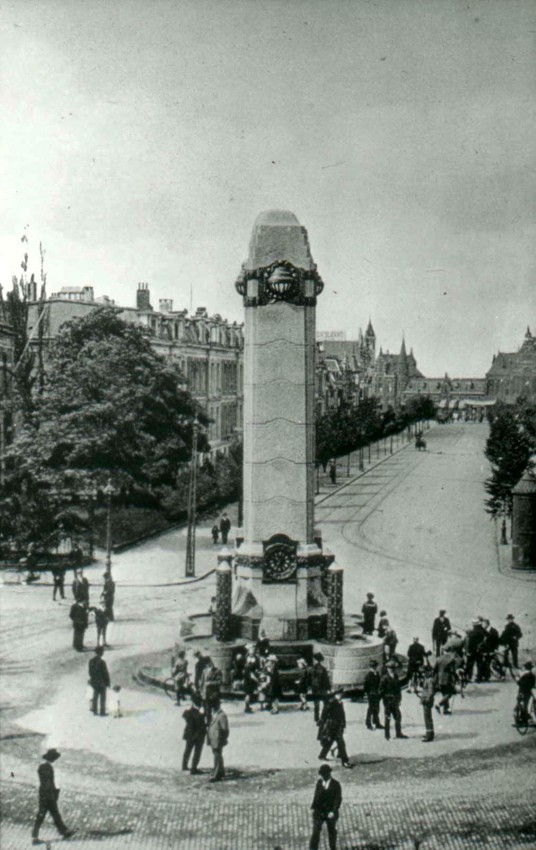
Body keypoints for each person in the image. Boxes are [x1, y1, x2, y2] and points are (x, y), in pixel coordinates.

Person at [32, 749, 75, 844]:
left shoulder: (43, 766)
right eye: (54, 758)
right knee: (45, 815)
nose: (55, 760)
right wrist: (53, 794)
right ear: (51, 758)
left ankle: (64, 831)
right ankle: (35, 837)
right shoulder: (47, 767)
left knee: (52, 814)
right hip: (47, 795)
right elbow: (48, 783)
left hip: (44, 794)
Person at [309, 763, 342, 850]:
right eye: (322, 774)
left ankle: (332, 848)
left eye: (325, 774)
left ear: (329, 774)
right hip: (319, 812)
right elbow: (316, 796)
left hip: (330, 811)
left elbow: (338, 799)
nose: (323, 776)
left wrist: (333, 811)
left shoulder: (335, 784)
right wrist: (314, 808)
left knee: (331, 831)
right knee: (315, 831)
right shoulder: (319, 783)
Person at [317, 691, 352, 768]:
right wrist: (322, 723)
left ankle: (322, 755)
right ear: (335, 695)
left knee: (331, 741)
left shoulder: (339, 703)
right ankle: (345, 761)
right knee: (341, 743)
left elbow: (343, 715)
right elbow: (324, 714)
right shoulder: (331, 703)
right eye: (340, 695)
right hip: (331, 726)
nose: (341, 696)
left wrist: (343, 724)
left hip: (337, 726)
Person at [379, 659, 408, 740]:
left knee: (398, 717)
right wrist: (385, 699)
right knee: (387, 718)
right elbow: (381, 690)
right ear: (388, 669)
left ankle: (398, 733)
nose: (392, 670)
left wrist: (399, 699)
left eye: (393, 669)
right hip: (388, 701)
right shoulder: (384, 678)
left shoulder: (395, 676)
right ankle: (387, 735)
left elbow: (398, 689)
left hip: (395, 701)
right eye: (391, 669)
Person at [182, 693, 206, 774]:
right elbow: (202, 724)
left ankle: (184, 765)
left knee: (187, 750)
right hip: (198, 735)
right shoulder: (200, 714)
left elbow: (185, 716)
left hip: (189, 734)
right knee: (197, 751)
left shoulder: (189, 712)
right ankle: (193, 768)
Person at [207, 698, 229, 782]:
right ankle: (221, 771)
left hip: (218, 739)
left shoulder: (222, 715)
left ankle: (216, 774)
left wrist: (223, 739)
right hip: (214, 738)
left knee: (217, 756)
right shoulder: (215, 714)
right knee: (217, 755)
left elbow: (225, 729)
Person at [433, 646, 457, 715]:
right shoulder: (451, 659)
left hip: (440, 679)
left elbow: (435, 670)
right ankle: (438, 704)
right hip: (448, 678)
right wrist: (455, 678)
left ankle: (446, 709)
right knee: (450, 693)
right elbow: (453, 671)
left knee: (444, 693)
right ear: (449, 651)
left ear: (443, 651)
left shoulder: (438, 659)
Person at [88, 645, 111, 716]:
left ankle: (95, 711)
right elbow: (105, 673)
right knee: (102, 697)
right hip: (101, 682)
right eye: (102, 651)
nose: (103, 653)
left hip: (94, 681)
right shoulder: (102, 662)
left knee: (95, 695)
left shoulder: (91, 661)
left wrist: (92, 679)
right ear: (100, 652)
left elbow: (90, 672)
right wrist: (108, 682)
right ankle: (102, 712)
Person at [200, 658, 222, 724]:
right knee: (207, 711)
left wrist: (210, 683)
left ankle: (216, 723)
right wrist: (201, 691)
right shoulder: (204, 671)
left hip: (214, 694)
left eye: (210, 662)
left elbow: (220, 682)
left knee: (216, 710)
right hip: (206, 694)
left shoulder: (217, 671)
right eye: (208, 664)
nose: (210, 664)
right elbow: (202, 682)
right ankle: (209, 724)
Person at [363, 659, 383, 731]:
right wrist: (367, 694)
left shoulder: (377, 674)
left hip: (376, 693)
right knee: (371, 709)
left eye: (375, 666)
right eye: (373, 666)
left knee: (376, 709)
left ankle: (376, 722)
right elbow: (366, 686)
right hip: (371, 694)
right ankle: (368, 723)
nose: (374, 668)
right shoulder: (369, 675)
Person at [310, 652, 331, 724]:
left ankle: (316, 718)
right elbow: (326, 680)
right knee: (326, 703)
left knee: (316, 704)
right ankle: (323, 718)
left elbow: (311, 680)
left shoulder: (312, 669)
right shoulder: (323, 669)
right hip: (322, 689)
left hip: (315, 689)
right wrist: (329, 688)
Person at [420, 667, 436, 742]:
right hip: (426, 700)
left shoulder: (429, 680)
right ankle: (429, 732)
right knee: (427, 718)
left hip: (427, 701)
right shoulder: (428, 679)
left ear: (428, 672)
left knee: (427, 718)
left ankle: (429, 735)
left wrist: (427, 699)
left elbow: (431, 691)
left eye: (424, 672)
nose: (423, 674)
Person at [243, 645, 259, 713]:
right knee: (249, 693)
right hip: (250, 678)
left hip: (247, 677)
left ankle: (247, 706)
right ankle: (247, 707)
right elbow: (251, 672)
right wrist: (256, 679)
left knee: (248, 693)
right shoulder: (252, 660)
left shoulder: (247, 658)